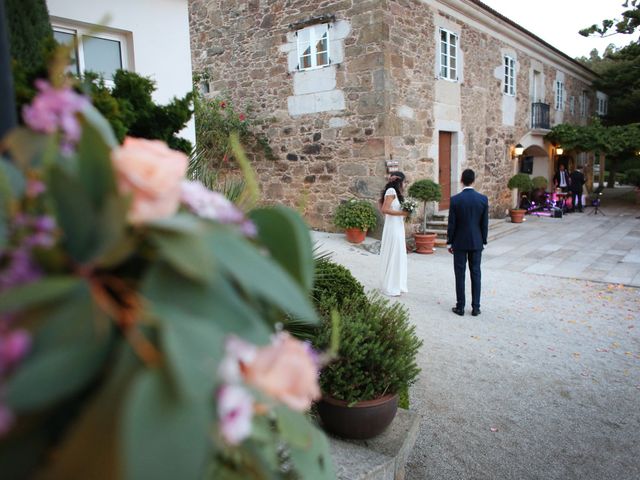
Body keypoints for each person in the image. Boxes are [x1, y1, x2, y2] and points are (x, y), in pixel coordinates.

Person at [446, 169, 489, 316]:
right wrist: (483, 240)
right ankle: (476, 307)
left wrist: (449, 242)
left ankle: (460, 306)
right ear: (473, 180)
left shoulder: (455, 199)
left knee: (460, 274)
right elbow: (484, 223)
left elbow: (452, 223)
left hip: (459, 241)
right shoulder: (483, 199)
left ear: (461, 180)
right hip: (476, 241)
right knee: (476, 273)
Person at [379, 172, 408, 296]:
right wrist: (402, 214)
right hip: (393, 228)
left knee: (399, 254)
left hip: (398, 226)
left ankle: (397, 283)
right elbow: (384, 209)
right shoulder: (391, 191)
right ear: (399, 181)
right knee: (394, 253)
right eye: (405, 182)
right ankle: (390, 285)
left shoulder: (397, 193)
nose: (405, 184)